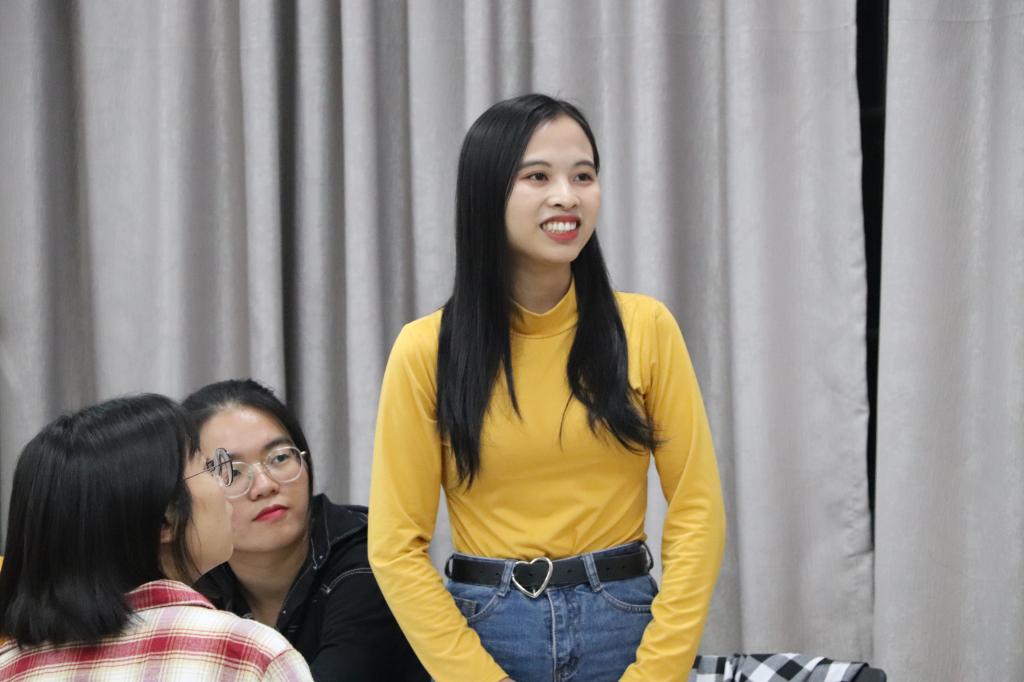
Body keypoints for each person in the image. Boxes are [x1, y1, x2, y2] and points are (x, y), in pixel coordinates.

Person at [368, 93, 727, 682]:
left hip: (623, 622)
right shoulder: (426, 349)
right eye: (538, 176)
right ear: (487, 192)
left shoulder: (645, 327)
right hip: (486, 630)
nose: (567, 196)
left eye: (583, 175)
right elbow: (394, 546)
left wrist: (656, 673)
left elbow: (697, 510)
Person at [0, 394, 312, 681]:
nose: (224, 484)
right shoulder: (250, 656)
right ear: (166, 520)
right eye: (207, 467)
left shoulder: (8, 668)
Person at [184, 379, 428, 682]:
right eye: (231, 472)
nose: (265, 486)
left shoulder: (372, 561)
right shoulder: (192, 583)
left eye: (280, 458)